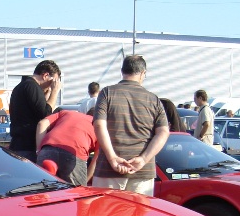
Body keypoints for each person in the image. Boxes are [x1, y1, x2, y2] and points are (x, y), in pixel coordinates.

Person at [92, 55, 169, 196]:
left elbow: (99, 125)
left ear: (122, 71)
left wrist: (112, 157)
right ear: (143, 73)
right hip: (142, 172)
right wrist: (143, 159)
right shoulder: (154, 99)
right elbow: (163, 132)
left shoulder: (107, 93)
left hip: (108, 170)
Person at [8, 60, 62, 162]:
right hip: (27, 147)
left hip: (19, 144)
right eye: (53, 81)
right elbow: (46, 114)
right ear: (45, 75)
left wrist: (46, 93)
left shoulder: (22, 86)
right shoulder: (32, 86)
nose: (52, 85)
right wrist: (54, 92)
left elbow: (37, 109)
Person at [36, 109, 98, 186]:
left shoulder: (66, 113)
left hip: (47, 150)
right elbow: (96, 161)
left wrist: (39, 150)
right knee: (76, 194)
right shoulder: (99, 127)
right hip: (74, 154)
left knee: (42, 191)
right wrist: (84, 182)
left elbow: (41, 124)